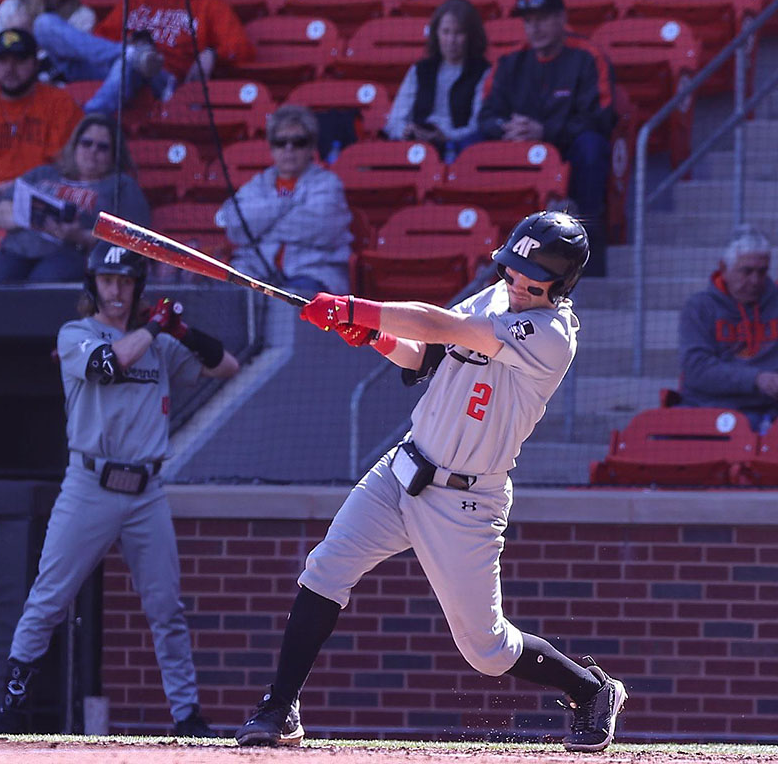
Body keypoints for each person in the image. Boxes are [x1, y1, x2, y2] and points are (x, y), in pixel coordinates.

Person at [234, 211, 629, 753]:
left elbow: (443, 327)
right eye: (511, 272)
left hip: (466, 500)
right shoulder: (495, 298)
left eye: (530, 281)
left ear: (561, 287)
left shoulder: (552, 337)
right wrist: (373, 334)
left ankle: (590, 689)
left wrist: (358, 308)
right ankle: (279, 707)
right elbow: (425, 354)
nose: (514, 286)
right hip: (402, 470)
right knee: (326, 569)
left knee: (486, 651)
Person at [0, 242, 239, 737]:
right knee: (49, 599)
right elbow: (109, 363)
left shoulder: (162, 345)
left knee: (167, 608)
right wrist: (154, 326)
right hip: (90, 484)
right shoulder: (76, 333)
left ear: (137, 287)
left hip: (146, 490)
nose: (116, 291)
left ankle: (187, 717)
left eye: (125, 282)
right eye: (107, 281)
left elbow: (226, 366)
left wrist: (180, 329)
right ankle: (11, 714)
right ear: (93, 286)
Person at [477, 0, 615, 277]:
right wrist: (507, 128)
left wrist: (546, 131)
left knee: (592, 147)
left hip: (569, 148)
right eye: (528, 21)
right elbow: (486, 116)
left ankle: (589, 248)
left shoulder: (587, 56)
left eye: (542, 18)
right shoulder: (509, 62)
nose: (534, 27)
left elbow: (601, 117)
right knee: (472, 147)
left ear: (562, 19)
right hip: (518, 149)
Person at [32, 0, 253, 115]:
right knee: (44, 24)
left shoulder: (209, 5)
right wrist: (127, 48)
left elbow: (241, 49)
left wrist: (212, 53)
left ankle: (87, 118)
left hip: (162, 79)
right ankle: (134, 55)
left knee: (130, 63)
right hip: (115, 65)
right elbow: (99, 39)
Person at [0, 114, 150, 283]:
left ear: (114, 154)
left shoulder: (121, 185)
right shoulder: (44, 173)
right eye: (86, 143)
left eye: (102, 147)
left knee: (44, 283)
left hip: (73, 253)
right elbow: (0, 209)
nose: (93, 151)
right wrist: (29, 218)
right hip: (18, 250)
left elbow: (133, 238)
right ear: (75, 145)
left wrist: (79, 236)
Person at [220, 104, 351, 295]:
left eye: (298, 142)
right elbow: (235, 226)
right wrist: (288, 204)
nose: (289, 148)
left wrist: (262, 228)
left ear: (311, 147)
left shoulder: (328, 183)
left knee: (292, 300)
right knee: (226, 293)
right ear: (272, 147)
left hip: (312, 274)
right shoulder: (258, 183)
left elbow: (319, 227)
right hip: (256, 272)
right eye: (281, 142)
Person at [0, 29, 84, 205]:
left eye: (19, 61)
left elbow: (65, 168)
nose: (10, 69)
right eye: (2, 61)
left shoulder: (60, 105)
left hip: (40, 198)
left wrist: (13, 188)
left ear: (35, 64)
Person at [679, 231, 778, 432]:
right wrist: (756, 379)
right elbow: (697, 370)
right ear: (724, 269)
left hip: (768, 410)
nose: (755, 281)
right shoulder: (699, 307)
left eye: (762, 271)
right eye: (746, 271)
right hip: (708, 409)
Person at [384, 0, 490, 161]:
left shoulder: (483, 72)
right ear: (436, 34)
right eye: (446, 32)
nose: (451, 40)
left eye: (459, 33)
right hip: (416, 146)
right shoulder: (419, 70)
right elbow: (395, 120)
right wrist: (405, 131)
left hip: (457, 148)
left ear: (471, 36)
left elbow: (478, 126)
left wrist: (446, 136)